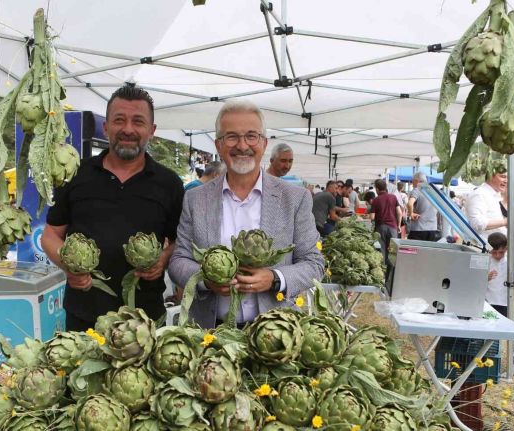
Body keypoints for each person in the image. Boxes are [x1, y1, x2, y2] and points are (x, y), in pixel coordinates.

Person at [168, 100, 324, 329]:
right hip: (208, 332)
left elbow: (314, 263)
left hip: (275, 333)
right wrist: (206, 280)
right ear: (219, 145)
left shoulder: (295, 198)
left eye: (251, 136)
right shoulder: (195, 198)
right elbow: (178, 260)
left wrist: (274, 278)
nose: (242, 145)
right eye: (231, 137)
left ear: (264, 143)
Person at [41, 85, 185, 330]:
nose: (128, 129)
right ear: (106, 127)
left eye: (138, 121)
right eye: (119, 120)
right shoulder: (75, 174)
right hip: (84, 316)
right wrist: (69, 267)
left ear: (151, 131)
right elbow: (50, 235)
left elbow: (179, 240)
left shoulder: (169, 183)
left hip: (145, 318)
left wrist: (162, 259)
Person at [465, 164, 507, 241]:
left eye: (508, 177)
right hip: (486, 249)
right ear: (491, 175)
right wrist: (505, 222)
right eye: (503, 176)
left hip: (496, 248)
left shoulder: (493, 195)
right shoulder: (479, 194)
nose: (506, 181)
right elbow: (476, 223)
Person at [369, 179, 402, 275]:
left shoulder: (376, 200)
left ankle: (382, 274)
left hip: (381, 228)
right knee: (393, 252)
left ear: (377, 189)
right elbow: (399, 213)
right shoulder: (393, 197)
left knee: (382, 251)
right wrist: (399, 225)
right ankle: (392, 274)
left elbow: (372, 217)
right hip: (393, 227)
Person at [407, 172, 439, 241]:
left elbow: (410, 203)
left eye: (412, 181)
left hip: (418, 228)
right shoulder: (434, 190)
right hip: (432, 229)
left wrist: (411, 214)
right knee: (429, 251)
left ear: (417, 181)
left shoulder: (417, 189)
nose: (412, 184)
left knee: (414, 251)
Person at [485, 232, 509, 316]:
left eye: (501, 252)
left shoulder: (510, 262)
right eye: (494, 252)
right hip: (488, 302)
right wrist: (485, 277)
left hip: (504, 303)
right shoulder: (485, 260)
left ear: (506, 249)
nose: (497, 255)